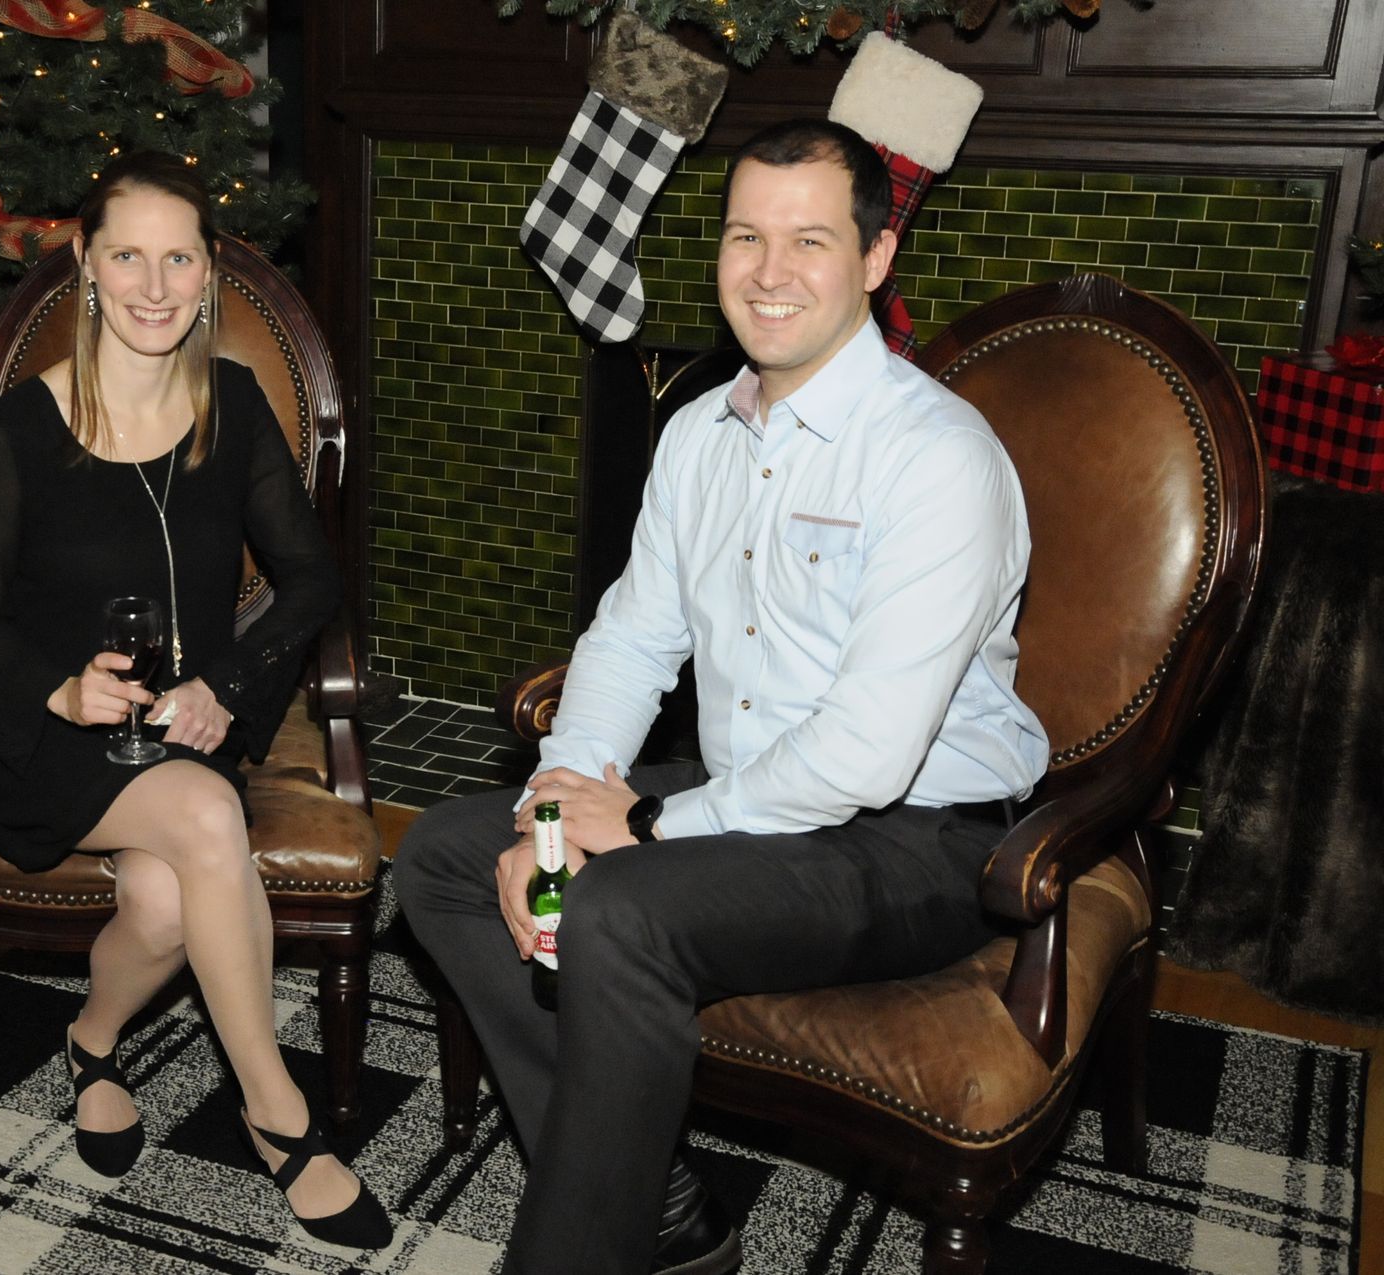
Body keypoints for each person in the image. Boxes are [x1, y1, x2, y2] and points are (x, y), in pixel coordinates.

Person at [394, 118, 1050, 1275]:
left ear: (875, 257)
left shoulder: (934, 457)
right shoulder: (697, 433)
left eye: (808, 240)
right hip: (752, 786)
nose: (769, 272)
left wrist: (640, 825)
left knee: (618, 908)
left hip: (923, 838)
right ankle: (652, 1210)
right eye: (746, 236)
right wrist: (557, 803)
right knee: (446, 851)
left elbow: (865, 755)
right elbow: (634, 637)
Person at [0, 150, 392, 1250]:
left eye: (179, 259)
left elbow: (313, 582)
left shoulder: (231, 405)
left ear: (210, 276)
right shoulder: (17, 434)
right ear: (86, 267)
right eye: (129, 257)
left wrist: (227, 688)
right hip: (49, 741)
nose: (155, 286)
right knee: (205, 820)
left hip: (185, 723)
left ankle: (92, 1044)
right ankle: (278, 1117)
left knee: (159, 905)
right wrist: (61, 691)